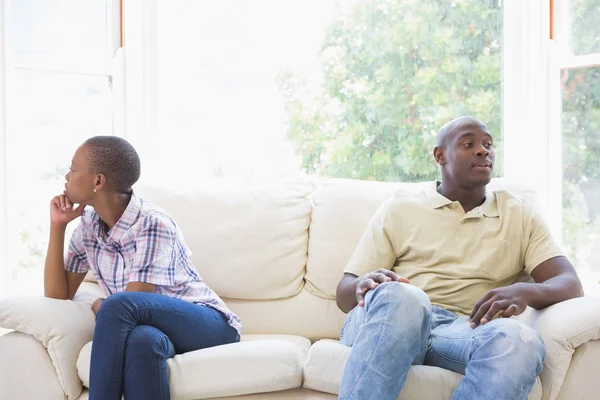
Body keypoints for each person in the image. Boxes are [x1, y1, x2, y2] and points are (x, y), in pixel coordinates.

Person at [335, 116, 584, 400]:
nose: (483, 151)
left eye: (488, 145)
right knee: (408, 298)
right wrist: (362, 285)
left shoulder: (518, 214)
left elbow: (570, 284)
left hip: (462, 330)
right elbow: (344, 295)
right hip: (393, 322)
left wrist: (525, 290)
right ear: (440, 155)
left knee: (521, 341)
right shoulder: (400, 208)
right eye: (469, 144)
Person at [43, 136, 242, 400]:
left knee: (118, 305)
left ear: (98, 181)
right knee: (143, 342)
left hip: (209, 324)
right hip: (153, 328)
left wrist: (103, 305)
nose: (66, 176)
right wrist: (58, 226)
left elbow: (131, 305)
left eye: (73, 168)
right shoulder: (89, 225)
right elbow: (58, 296)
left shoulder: (152, 224)